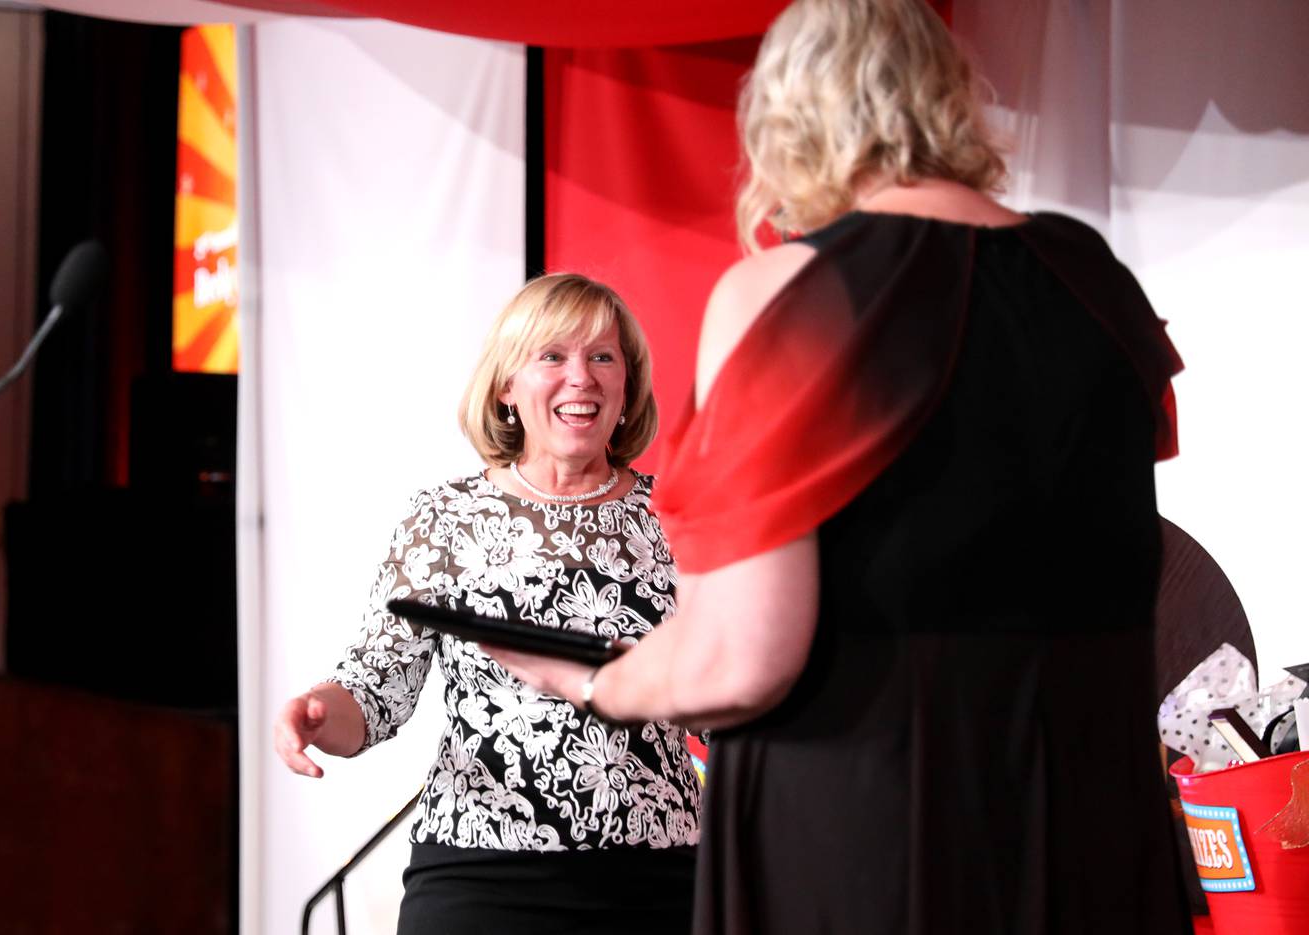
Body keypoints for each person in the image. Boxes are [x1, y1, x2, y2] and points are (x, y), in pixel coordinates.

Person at [490, 1, 1195, 933]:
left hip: (876, 825)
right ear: (950, 98)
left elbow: (744, 658)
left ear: (789, 122)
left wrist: (593, 679)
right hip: (1096, 827)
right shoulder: (1094, 276)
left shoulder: (790, 293)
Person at [273, 273, 701, 935]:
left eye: (602, 356)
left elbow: (726, 687)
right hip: (481, 873)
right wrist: (319, 711)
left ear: (627, 384)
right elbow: (377, 684)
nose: (580, 376)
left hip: (658, 879)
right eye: (552, 356)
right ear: (507, 386)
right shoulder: (444, 517)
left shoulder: (681, 519)